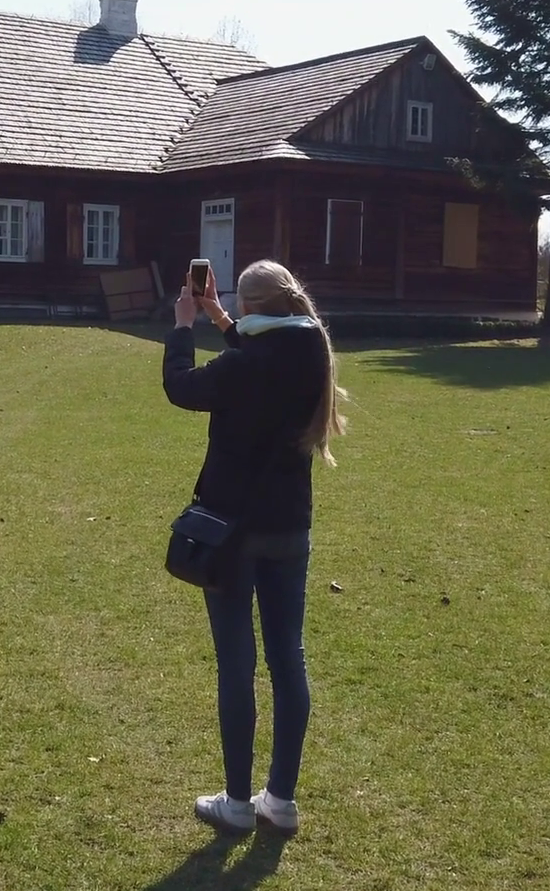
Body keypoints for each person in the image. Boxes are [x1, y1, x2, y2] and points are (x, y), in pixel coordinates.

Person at [163, 259, 347, 836]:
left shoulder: (243, 365)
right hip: (290, 526)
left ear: (252, 307)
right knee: (288, 660)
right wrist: (220, 316)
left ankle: (238, 803)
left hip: (232, 532)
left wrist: (183, 325)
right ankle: (281, 799)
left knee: (237, 664)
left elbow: (180, 387)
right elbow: (262, 351)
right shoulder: (311, 347)